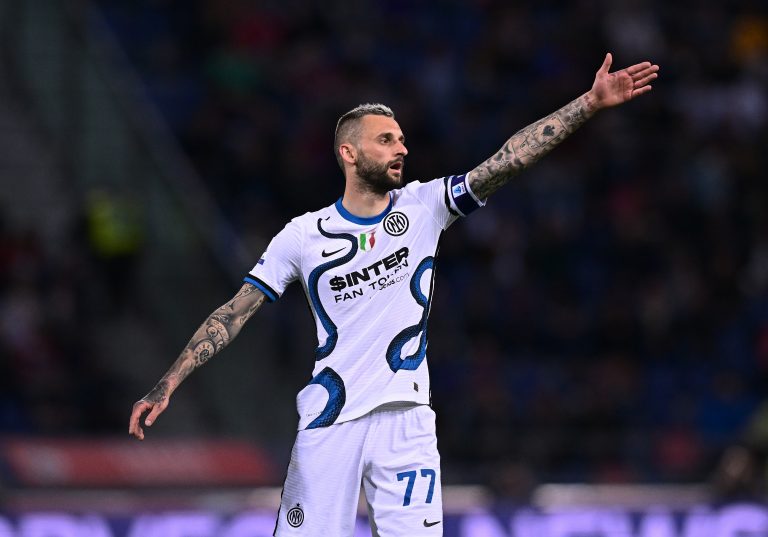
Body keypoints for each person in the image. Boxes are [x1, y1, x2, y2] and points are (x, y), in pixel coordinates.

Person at [129, 53, 659, 535]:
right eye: (386, 140)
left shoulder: (425, 206)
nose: (401, 148)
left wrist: (588, 104)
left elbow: (507, 161)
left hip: (407, 421)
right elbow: (235, 311)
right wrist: (168, 381)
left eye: (402, 139)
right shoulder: (303, 235)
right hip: (330, 420)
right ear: (349, 153)